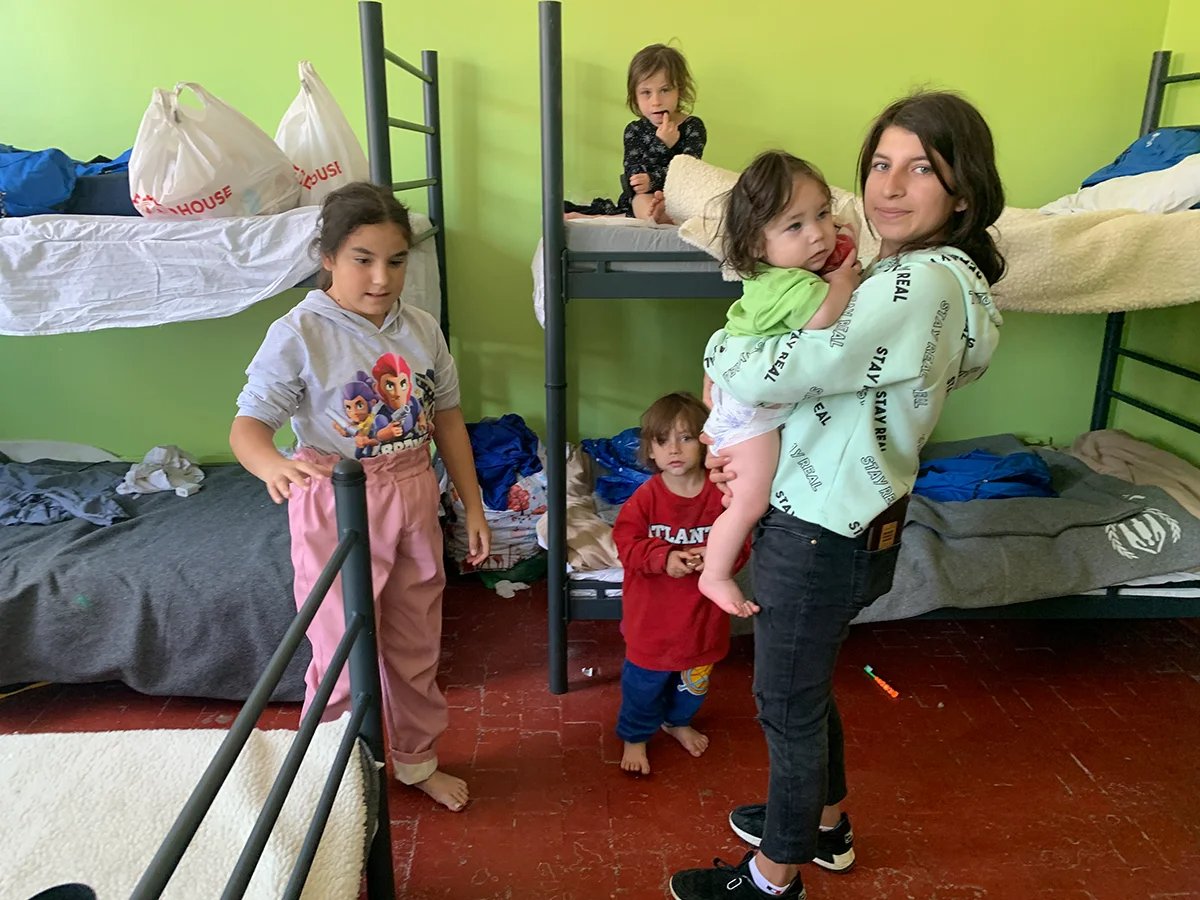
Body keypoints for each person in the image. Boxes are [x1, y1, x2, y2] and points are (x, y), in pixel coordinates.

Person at [669, 89, 1006, 899]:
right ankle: (826, 825)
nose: (890, 185)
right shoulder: (916, 274)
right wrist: (753, 458)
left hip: (823, 527)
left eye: (920, 167)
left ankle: (775, 874)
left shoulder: (915, 283)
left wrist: (718, 356)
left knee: (784, 701)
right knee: (805, 686)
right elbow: (826, 393)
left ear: (962, 190)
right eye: (881, 164)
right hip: (844, 513)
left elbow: (788, 364)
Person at [230, 181, 491, 813]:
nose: (381, 277)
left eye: (395, 261)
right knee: (340, 645)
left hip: (413, 489)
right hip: (340, 502)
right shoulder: (300, 332)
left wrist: (472, 503)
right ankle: (338, 772)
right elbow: (248, 426)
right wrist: (272, 466)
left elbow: (448, 416)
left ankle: (415, 759)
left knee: (415, 637)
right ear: (327, 256)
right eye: (362, 259)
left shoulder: (421, 328)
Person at [698, 150, 859, 619]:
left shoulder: (770, 279)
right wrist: (845, 279)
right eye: (795, 226)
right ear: (754, 245)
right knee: (749, 500)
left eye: (824, 214)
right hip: (751, 411)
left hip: (737, 397)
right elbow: (826, 315)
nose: (819, 234)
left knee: (741, 488)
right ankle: (715, 572)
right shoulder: (799, 286)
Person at [612, 392, 747, 775]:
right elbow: (626, 545)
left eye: (686, 437)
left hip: (702, 622)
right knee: (643, 687)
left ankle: (677, 722)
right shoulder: (644, 499)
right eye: (662, 440)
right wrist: (663, 558)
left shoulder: (722, 496)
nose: (674, 449)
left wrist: (715, 558)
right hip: (651, 623)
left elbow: (743, 543)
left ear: (706, 443)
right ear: (650, 451)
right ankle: (635, 736)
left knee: (694, 685)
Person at [564, 43, 706, 223]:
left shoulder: (693, 126)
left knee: (700, 205)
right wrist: (661, 144)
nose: (656, 101)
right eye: (646, 92)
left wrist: (654, 180)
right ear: (635, 96)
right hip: (644, 198)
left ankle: (653, 214)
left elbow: (689, 173)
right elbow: (635, 178)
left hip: (679, 196)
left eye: (665, 90)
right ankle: (655, 215)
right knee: (642, 201)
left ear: (680, 90)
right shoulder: (634, 130)